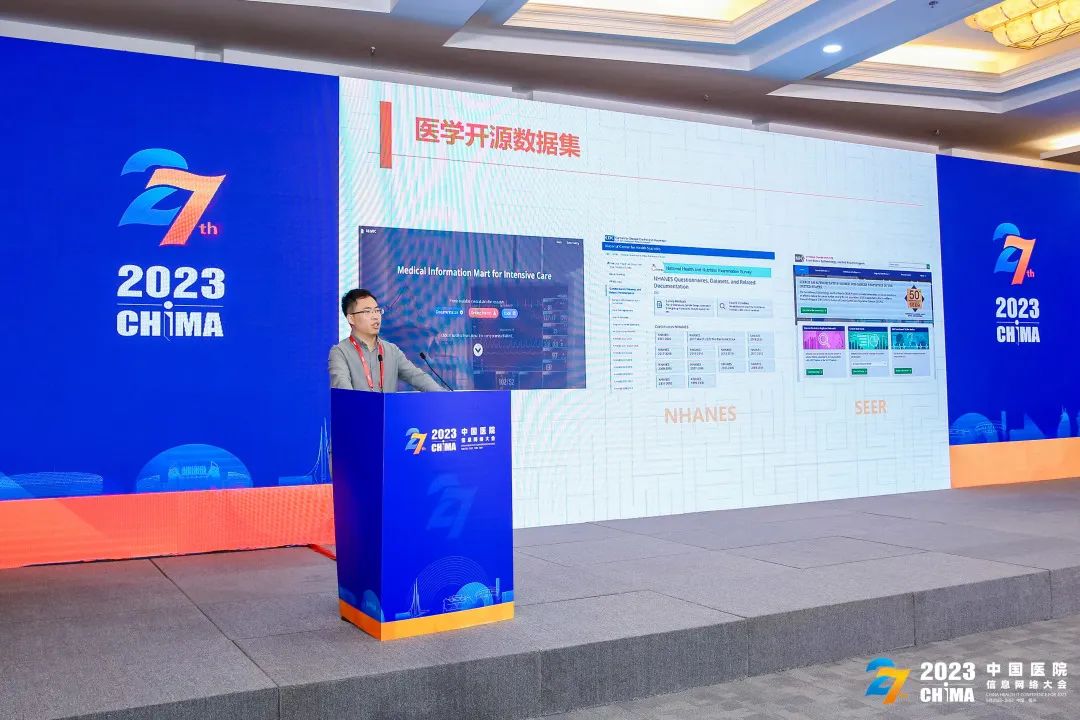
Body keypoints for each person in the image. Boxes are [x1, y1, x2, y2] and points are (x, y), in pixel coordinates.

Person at [329, 288, 445, 392]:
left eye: (377, 311)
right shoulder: (340, 352)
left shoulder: (392, 350)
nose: (375, 316)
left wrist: (444, 397)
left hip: (388, 410)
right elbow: (343, 392)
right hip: (358, 410)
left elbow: (417, 377)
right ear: (351, 318)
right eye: (367, 311)